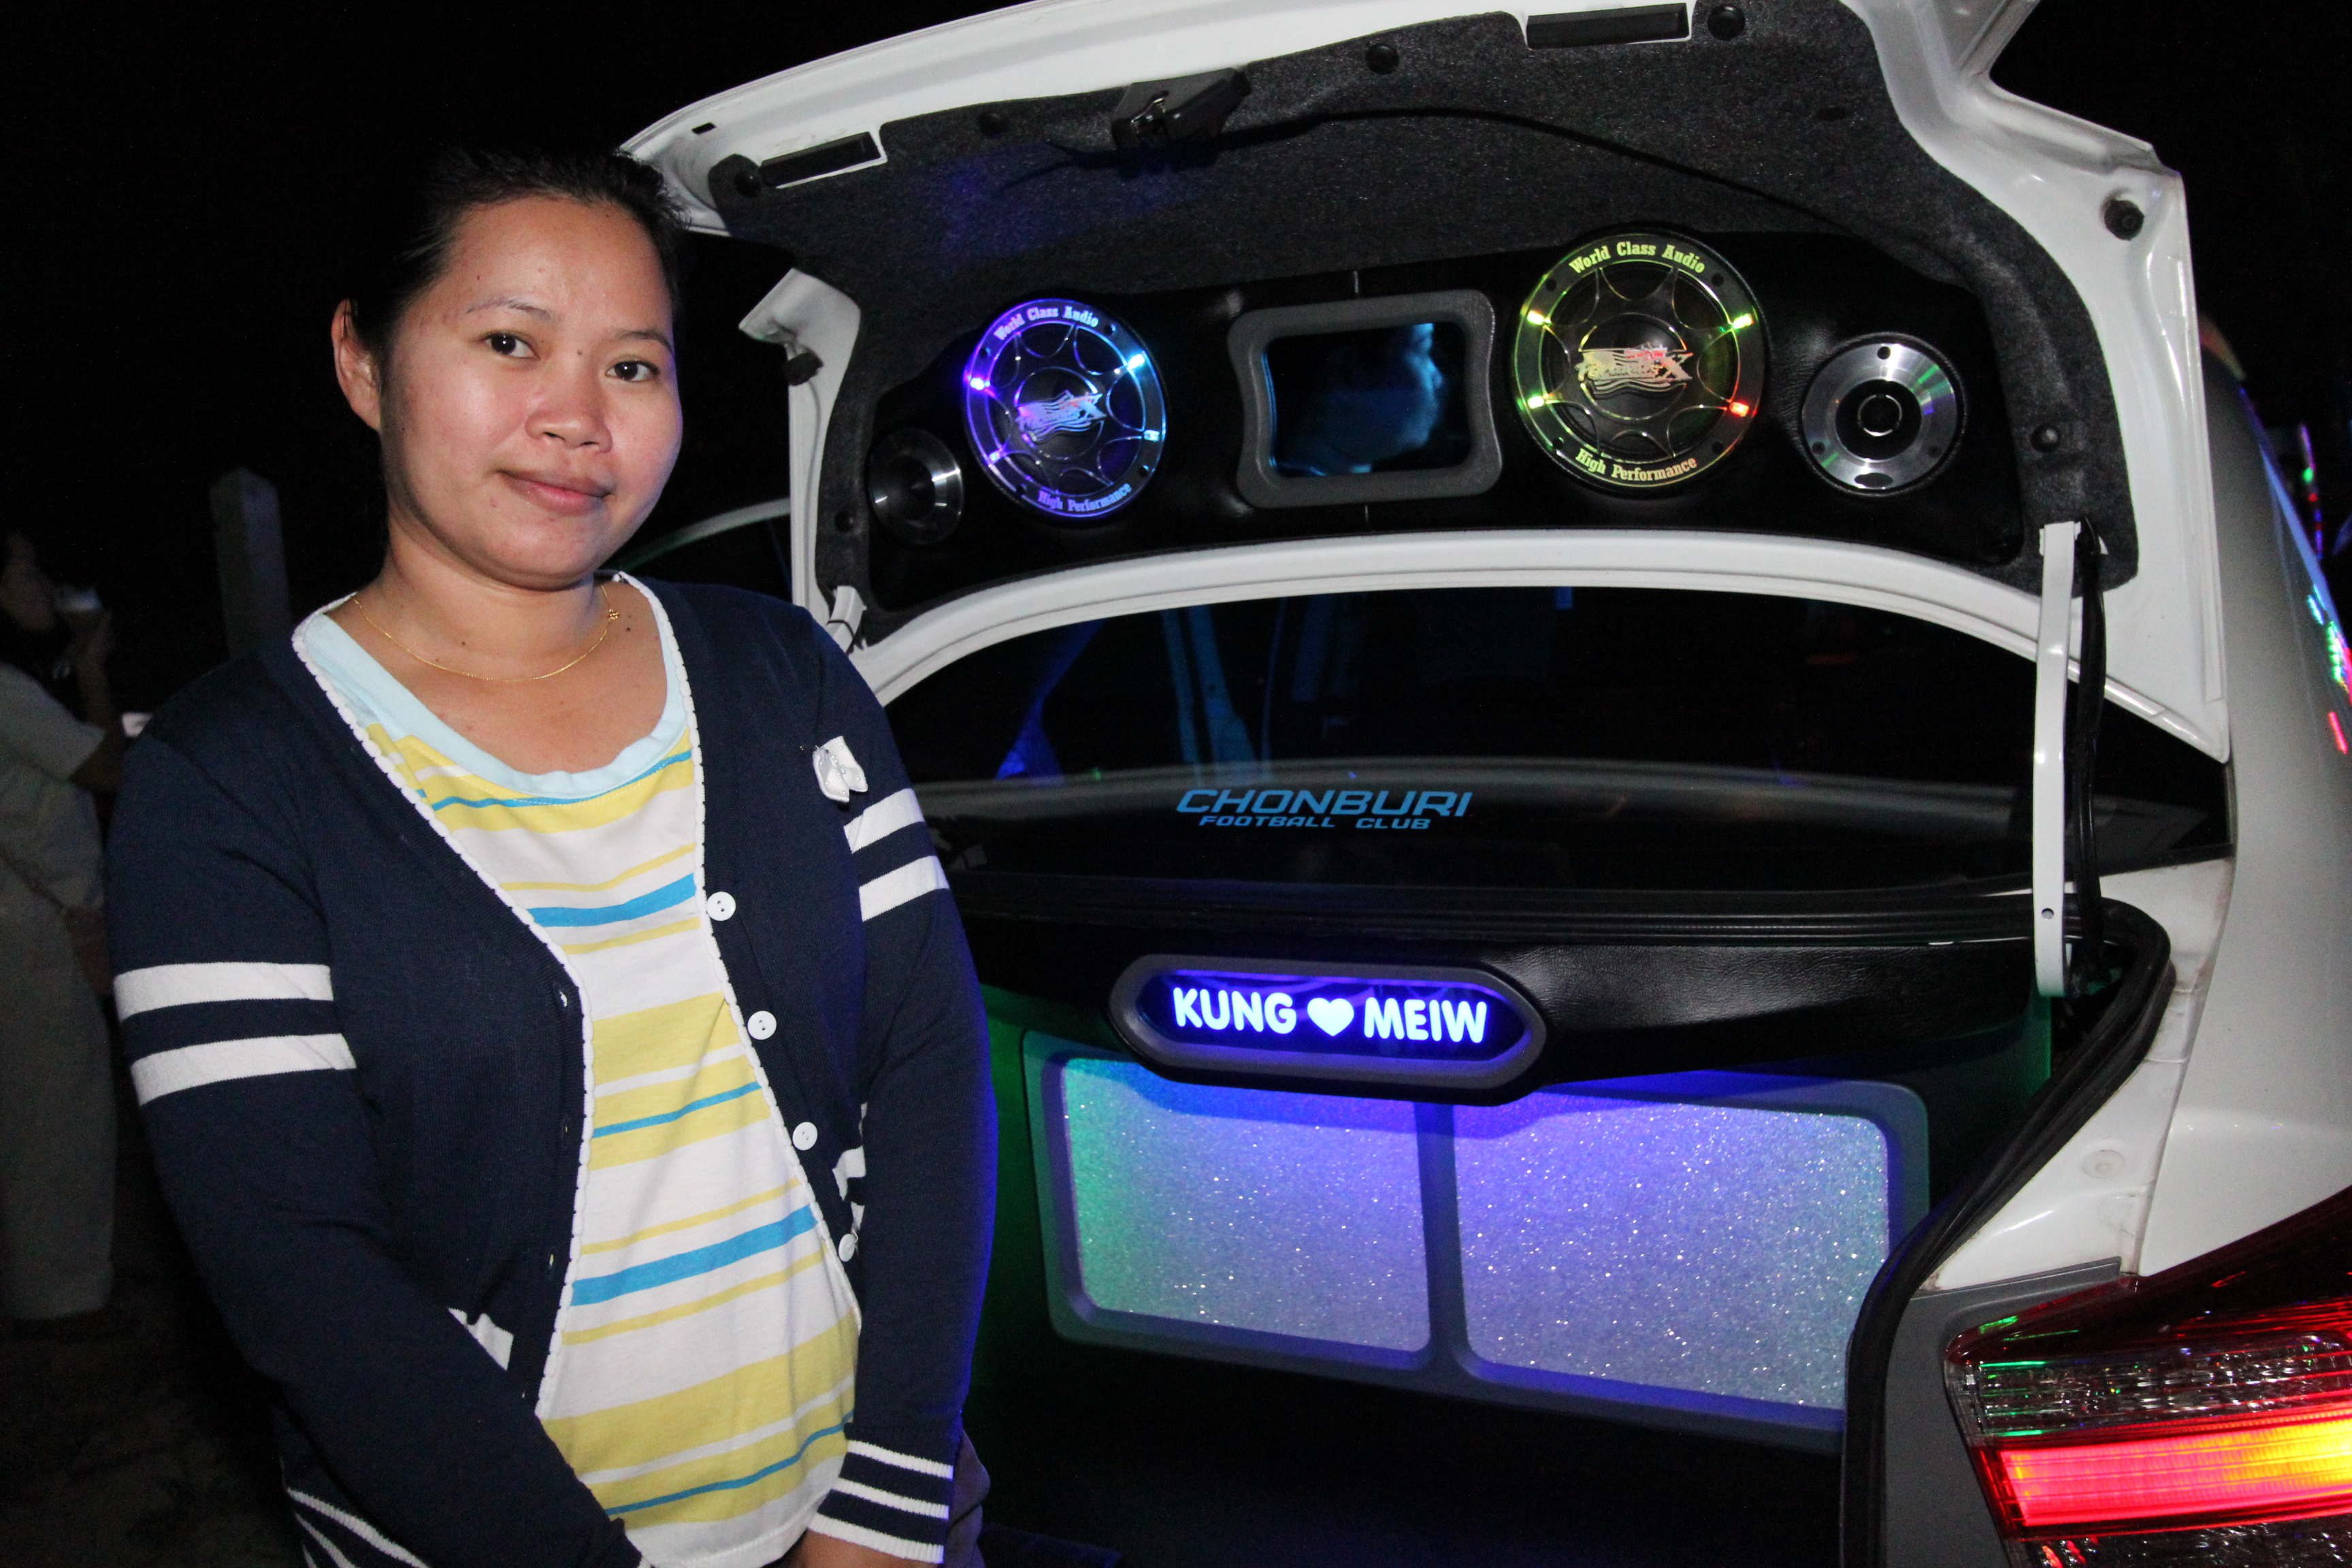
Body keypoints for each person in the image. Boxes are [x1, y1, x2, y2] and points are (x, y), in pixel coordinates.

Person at [105, 148, 994, 1568]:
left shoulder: (781, 669)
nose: (578, 416)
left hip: (870, 1513)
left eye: (633, 365)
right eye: (510, 343)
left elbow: (931, 1064)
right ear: (363, 360)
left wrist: (886, 1501)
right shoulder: (229, 777)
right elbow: (300, 1270)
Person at [0, 529, 122, 1341]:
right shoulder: (5, 690)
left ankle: (63, 1279)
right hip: (29, 924)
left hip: (26, 912)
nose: (44, 584)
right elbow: (109, 767)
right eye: (26, 569)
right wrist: (92, 666)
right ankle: (61, 1305)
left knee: (36, 1107)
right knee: (56, 1112)